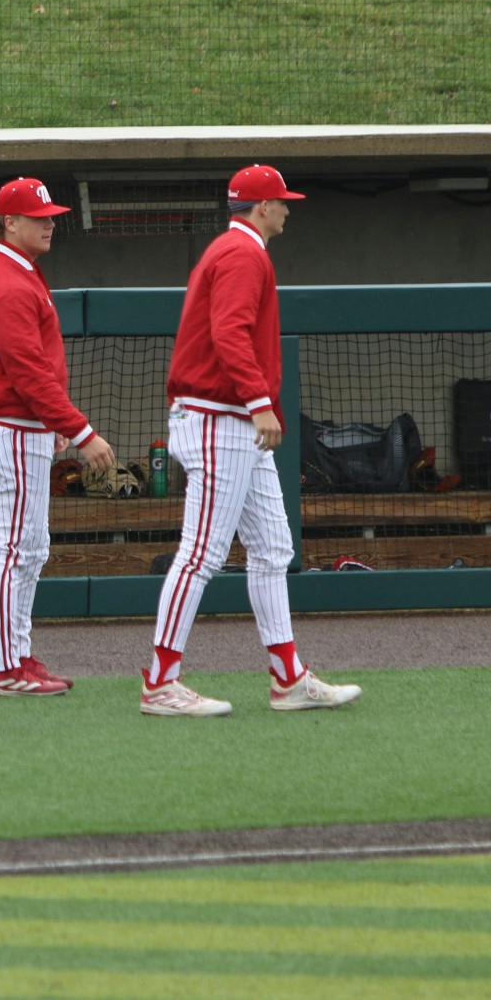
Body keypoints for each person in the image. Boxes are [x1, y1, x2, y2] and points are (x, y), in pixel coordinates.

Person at [141, 165, 362, 718]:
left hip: (231, 420)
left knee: (273, 550)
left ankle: (288, 678)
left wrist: (258, 407)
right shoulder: (242, 252)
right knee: (201, 555)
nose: (287, 209)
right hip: (218, 418)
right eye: (282, 201)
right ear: (261, 206)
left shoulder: (234, 249)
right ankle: (160, 682)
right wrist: (260, 402)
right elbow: (229, 331)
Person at [0, 178, 115, 699]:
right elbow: (27, 372)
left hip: (18, 426)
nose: (50, 224)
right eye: (38, 217)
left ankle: (17, 655)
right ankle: (3, 666)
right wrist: (80, 430)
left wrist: (55, 424)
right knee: (9, 550)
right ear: (9, 223)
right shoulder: (5, 281)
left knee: (30, 547)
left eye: (50, 216)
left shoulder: (16, 270)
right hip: (7, 426)